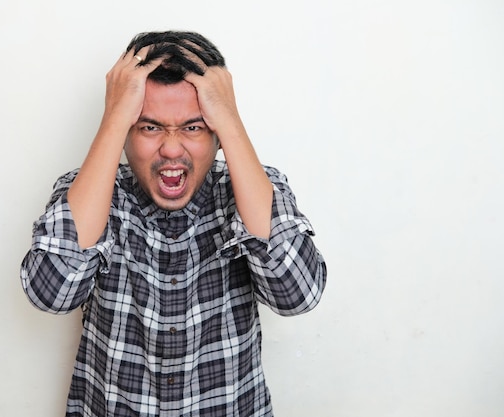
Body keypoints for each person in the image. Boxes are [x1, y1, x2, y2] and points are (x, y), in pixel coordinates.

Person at [21, 30, 327, 417]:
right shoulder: (88, 194)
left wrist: (230, 121)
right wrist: (115, 115)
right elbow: (51, 293)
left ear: (216, 131)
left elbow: (297, 294)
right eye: (149, 127)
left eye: (193, 127)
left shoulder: (253, 192)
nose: (170, 148)